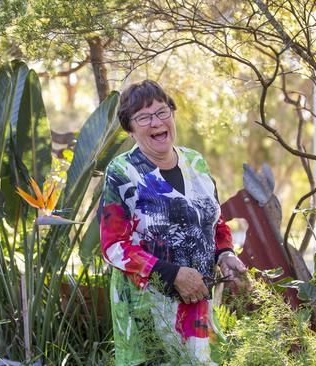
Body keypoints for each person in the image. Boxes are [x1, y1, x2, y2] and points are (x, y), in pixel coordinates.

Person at [99, 80, 247, 365]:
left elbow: (213, 222)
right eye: (143, 117)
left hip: (197, 301)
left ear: (172, 115)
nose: (156, 122)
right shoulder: (122, 172)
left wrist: (226, 254)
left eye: (162, 112)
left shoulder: (196, 163)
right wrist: (171, 273)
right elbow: (114, 246)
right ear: (130, 128)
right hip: (147, 307)